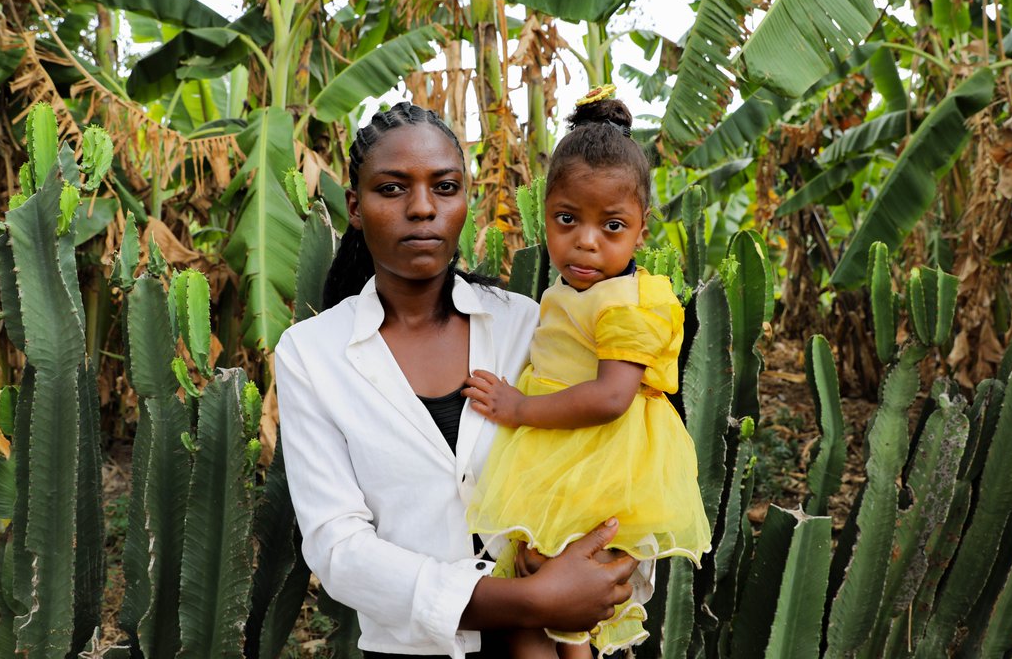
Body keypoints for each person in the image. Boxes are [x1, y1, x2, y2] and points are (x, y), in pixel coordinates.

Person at [275, 102, 638, 659]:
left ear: (466, 200)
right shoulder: (312, 353)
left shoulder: (530, 325)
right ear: (354, 206)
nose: (422, 209)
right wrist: (530, 601)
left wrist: (597, 571)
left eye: (445, 188)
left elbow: (616, 454)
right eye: (392, 189)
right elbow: (339, 549)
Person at [463, 88, 712, 658]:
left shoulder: (627, 301)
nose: (586, 241)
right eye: (567, 219)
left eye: (613, 226)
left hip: (600, 464)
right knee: (537, 606)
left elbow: (611, 397)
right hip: (557, 462)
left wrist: (517, 408)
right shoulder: (565, 291)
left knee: (559, 610)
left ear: (642, 230)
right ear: (544, 214)